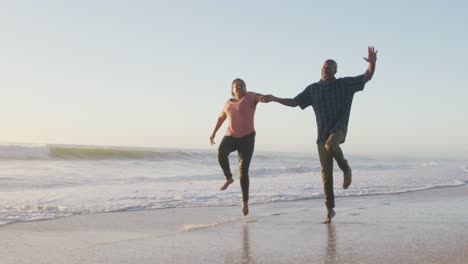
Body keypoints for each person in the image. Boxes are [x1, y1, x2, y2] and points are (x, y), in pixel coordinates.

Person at [261, 46, 378, 223]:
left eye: (329, 67)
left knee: (331, 145)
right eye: (323, 66)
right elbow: (294, 102)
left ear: (335, 71)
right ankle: (330, 209)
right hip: (321, 134)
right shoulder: (313, 89)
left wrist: (372, 65)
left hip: (338, 130)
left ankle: (346, 169)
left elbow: (366, 77)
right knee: (326, 173)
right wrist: (275, 98)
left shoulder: (344, 84)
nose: (325, 69)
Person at [210, 78, 263, 216]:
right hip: (231, 137)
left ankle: (245, 202)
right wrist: (213, 133)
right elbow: (221, 118)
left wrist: (264, 98)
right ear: (232, 90)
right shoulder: (228, 103)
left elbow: (260, 97)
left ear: (246, 87)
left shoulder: (250, 96)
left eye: (241, 85)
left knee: (243, 171)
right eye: (236, 86)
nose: (239, 87)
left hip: (247, 139)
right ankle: (228, 178)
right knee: (221, 152)